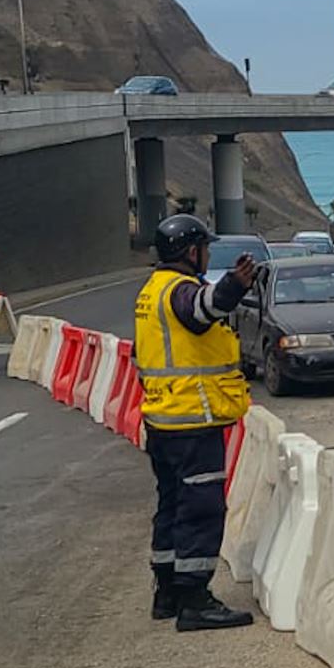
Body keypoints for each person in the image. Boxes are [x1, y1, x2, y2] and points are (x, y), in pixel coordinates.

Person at [135, 214, 257, 632]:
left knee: (171, 503)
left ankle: (166, 591)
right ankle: (193, 599)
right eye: (205, 247)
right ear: (192, 252)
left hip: (162, 420)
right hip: (192, 420)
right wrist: (234, 285)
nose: (208, 254)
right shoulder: (179, 291)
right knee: (201, 508)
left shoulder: (150, 291)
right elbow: (201, 312)